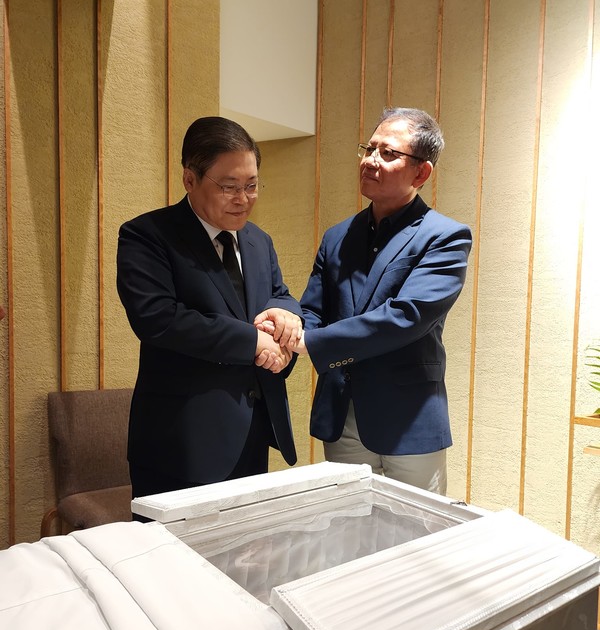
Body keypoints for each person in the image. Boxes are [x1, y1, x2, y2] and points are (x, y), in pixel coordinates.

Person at [258, 107, 471, 495]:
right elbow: (313, 310)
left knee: (415, 525)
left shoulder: (445, 237)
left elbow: (406, 317)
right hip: (342, 411)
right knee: (347, 522)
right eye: (369, 148)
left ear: (421, 173)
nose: (371, 160)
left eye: (388, 153)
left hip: (409, 416)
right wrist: (284, 330)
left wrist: (310, 342)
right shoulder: (337, 237)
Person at [117, 116, 303, 507]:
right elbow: (158, 319)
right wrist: (254, 342)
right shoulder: (148, 235)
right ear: (190, 179)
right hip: (181, 442)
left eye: (252, 185)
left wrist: (287, 318)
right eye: (229, 186)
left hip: (253, 430)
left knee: (246, 544)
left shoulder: (259, 241)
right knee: (170, 547)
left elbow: (278, 295)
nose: (243, 199)